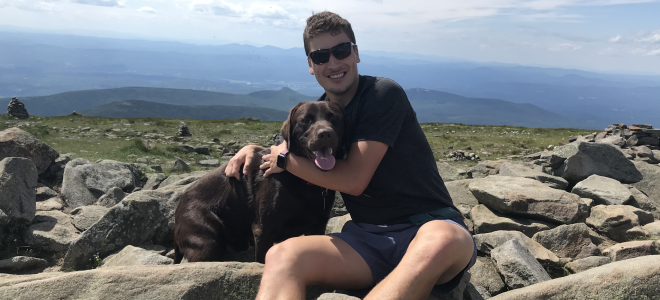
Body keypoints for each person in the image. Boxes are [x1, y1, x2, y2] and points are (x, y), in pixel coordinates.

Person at [224, 11, 476, 300]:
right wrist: (253, 151)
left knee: (442, 240)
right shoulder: (322, 112)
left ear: (356, 53)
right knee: (283, 256)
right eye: (320, 56)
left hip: (430, 226)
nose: (332, 63)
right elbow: (288, 145)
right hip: (367, 240)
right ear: (310, 65)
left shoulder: (382, 94)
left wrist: (284, 160)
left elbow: (354, 179)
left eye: (341, 50)